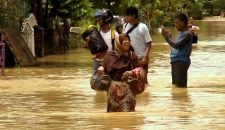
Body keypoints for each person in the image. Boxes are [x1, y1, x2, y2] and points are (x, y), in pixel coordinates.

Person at [97, 34, 145, 112]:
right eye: (125, 40)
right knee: (113, 115)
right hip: (113, 90)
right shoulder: (109, 55)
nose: (128, 42)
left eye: (128, 40)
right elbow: (102, 65)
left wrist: (131, 72)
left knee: (128, 114)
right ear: (118, 42)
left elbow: (140, 69)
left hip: (128, 88)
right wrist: (101, 67)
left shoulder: (132, 55)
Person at [83, 9, 118, 91]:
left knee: (110, 87)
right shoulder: (95, 33)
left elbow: (117, 52)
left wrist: (104, 54)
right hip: (97, 63)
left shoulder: (114, 34)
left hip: (109, 63)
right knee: (97, 87)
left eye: (100, 19)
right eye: (97, 19)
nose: (97, 21)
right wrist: (88, 42)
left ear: (106, 19)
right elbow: (88, 48)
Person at [161, 13, 193, 88]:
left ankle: (182, 100)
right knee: (175, 86)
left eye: (177, 22)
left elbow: (177, 45)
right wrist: (169, 37)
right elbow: (176, 45)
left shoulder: (187, 34)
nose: (175, 25)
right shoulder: (182, 33)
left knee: (181, 87)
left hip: (181, 61)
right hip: (176, 61)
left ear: (183, 22)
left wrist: (167, 38)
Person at [123, 7, 152, 84]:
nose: (126, 17)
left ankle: (146, 95)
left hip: (140, 57)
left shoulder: (143, 27)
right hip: (130, 58)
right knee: (131, 81)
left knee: (143, 80)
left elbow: (149, 44)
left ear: (133, 16)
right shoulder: (125, 26)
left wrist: (145, 57)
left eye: (127, 15)